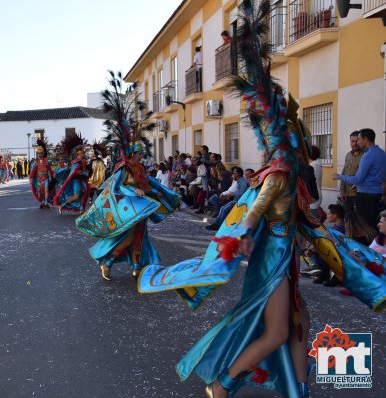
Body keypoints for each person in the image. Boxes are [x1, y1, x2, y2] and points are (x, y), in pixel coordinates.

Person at [138, 4, 385, 397]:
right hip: (272, 265)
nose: (305, 142)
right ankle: (222, 384)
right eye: (299, 135)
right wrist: (244, 236)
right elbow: (255, 209)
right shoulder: (280, 175)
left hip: (281, 260)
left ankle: (296, 391)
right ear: (290, 140)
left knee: (299, 322)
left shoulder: (286, 173)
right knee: (277, 332)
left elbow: (297, 215)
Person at [76, 72, 180, 280]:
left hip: (139, 210)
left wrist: (165, 193)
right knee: (126, 237)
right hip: (125, 209)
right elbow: (117, 188)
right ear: (132, 154)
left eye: (142, 153)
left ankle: (136, 266)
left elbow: (150, 183)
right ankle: (108, 262)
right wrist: (134, 189)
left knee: (140, 238)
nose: (142, 156)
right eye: (139, 153)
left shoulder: (140, 168)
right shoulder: (123, 168)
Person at [333, 128, 386, 229]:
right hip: (377, 194)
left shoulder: (367, 156)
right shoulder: (382, 154)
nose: (358, 142)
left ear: (366, 139)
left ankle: (367, 244)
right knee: (373, 223)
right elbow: (374, 176)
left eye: (359, 139)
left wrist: (339, 177)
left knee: (364, 226)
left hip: (365, 196)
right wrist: (357, 185)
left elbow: (358, 179)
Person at [54, 132, 90, 214]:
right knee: (76, 196)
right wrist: (80, 172)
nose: (81, 155)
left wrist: (85, 173)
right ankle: (62, 205)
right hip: (75, 181)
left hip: (82, 180)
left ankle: (81, 209)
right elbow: (74, 171)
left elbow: (84, 171)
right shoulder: (76, 162)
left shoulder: (83, 161)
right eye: (79, 154)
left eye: (82, 153)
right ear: (76, 154)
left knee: (85, 192)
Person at [339, 131, 362, 216]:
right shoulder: (348, 155)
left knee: (358, 219)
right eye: (352, 141)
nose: (355, 143)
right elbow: (344, 172)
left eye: (357, 141)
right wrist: (342, 191)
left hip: (359, 194)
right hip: (346, 195)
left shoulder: (365, 155)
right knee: (348, 218)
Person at [29, 138, 55, 209]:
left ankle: (46, 202)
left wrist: (51, 177)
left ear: (43, 153)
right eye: (38, 153)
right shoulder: (36, 163)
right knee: (40, 193)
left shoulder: (47, 162)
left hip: (46, 178)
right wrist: (31, 178)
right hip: (39, 179)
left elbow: (50, 170)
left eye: (41, 153)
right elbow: (34, 171)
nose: (39, 154)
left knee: (46, 190)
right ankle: (43, 202)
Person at [308, 145, 323, 220]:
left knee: (312, 221)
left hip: (313, 197)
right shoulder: (315, 164)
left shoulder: (313, 166)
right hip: (314, 196)